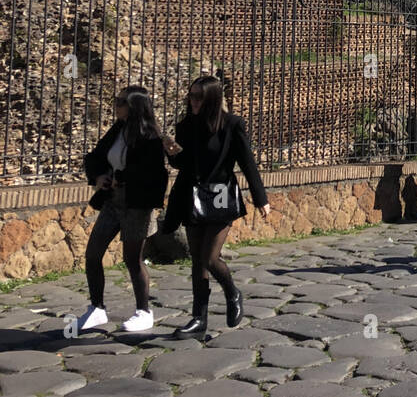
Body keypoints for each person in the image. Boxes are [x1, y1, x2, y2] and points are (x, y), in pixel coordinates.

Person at [164, 76, 271, 337]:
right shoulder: (186, 126)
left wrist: (261, 199)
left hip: (221, 195)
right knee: (197, 261)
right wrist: (171, 152)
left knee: (210, 258)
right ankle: (198, 318)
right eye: (191, 95)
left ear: (212, 98)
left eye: (199, 96)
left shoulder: (232, 125)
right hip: (192, 195)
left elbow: (247, 162)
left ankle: (232, 292)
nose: (193, 101)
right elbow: (183, 165)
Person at [75, 86, 169, 334]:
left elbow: (153, 173)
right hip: (112, 201)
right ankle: (96, 308)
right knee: (93, 253)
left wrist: (123, 177)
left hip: (137, 204)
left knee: (132, 259)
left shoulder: (150, 138)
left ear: (135, 106)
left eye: (120, 101)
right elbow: (96, 156)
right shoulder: (118, 129)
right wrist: (99, 176)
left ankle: (143, 311)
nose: (116, 105)